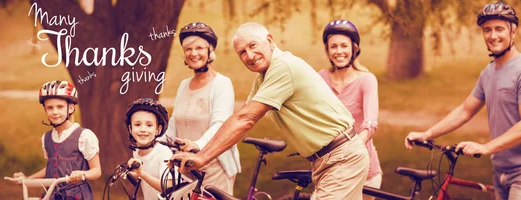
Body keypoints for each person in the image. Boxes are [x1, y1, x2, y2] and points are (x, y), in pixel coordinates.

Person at [171, 22, 369, 199]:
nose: (249, 55)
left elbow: (246, 119)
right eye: (242, 52)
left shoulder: (283, 66)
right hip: (328, 161)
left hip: (341, 157)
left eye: (253, 45)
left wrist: (203, 158)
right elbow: (239, 117)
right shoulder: (264, 78)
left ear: (270, 41)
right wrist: (201, 149)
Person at [404, 2, 521, 200]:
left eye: (499, 29)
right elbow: (465, 110)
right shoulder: (489, 73)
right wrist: (428, 134)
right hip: (500, 169)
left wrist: (485, 147)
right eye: (487, 30)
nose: (493, 36)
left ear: (513, 32)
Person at [163, 21, 241, 194]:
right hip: (186, 166)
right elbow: (175, 121)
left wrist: (197, 145)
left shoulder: (221, 84)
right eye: (188, 49)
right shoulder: (184, 85)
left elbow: (220, 124)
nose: (194, 53)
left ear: (209, 51)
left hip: (215, 167)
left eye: (199, 48)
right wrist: (155, 142)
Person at [318, 20, 382, 200]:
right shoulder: (321, 78)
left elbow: (369, 125)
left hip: (363, 168)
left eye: (344, 46)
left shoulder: (366, 80)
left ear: (354, 49)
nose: (339, 51)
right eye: (334, 46)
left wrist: (347, 154)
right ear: (328, 51)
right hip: (330, 169)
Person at [13, 80, 101, 199]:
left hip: (77, 196)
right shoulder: (47, 138)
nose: (55, 112)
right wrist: (27, 179)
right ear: (45, 110)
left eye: (60, 107)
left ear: (70, 108)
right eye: (50, 108)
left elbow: (96, 171)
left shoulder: (84, 136)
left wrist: (82, 174)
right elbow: (51, 167)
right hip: (52, 195)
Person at [124, 98, 173, 200]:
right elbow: (148, 174)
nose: (143, 129)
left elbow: (168, 187)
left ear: (157, 130)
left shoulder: (163, 153)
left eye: (149, 125)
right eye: (137, 124)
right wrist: (135, 174)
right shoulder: (137, 151)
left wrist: (142, 174)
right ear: (130, 129)